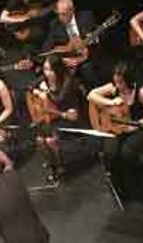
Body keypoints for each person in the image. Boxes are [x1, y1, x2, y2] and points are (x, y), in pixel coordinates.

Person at [87, 61, 143, 194]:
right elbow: (91, 95)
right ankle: (118, 184)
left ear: (128, 80)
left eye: (120, 82)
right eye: (115, 82)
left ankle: (133, 180)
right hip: (120, 128)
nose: (117, 85)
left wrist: (135, 126)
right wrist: (110, 101)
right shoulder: (113, 88)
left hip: (140, 127)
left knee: (126, 152)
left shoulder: (141, 91)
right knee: (110, 151)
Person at [29, 54, 87, 182]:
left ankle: (60, 165)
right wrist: (38, 92)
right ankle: (51, 163)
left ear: (57, 69)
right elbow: (31, 86)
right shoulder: (44, 78)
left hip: (68, 115)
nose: (47, 73)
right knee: (39, 140)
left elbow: (59, 100)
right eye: (45, 69)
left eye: (50, 69)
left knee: (50, 141)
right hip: (52, 115)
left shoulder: (67, 80)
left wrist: (47, 92)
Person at [42, 0, 98, 87]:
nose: (60, 18)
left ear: (72, 11)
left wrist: (84, 55)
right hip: (68, 62)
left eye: (64, 14)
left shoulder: (86, 17)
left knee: (87, 69)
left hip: (89, 56)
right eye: (59, 14)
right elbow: (46, 48)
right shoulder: (55, 24)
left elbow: (98, 39)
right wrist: (65, 52)